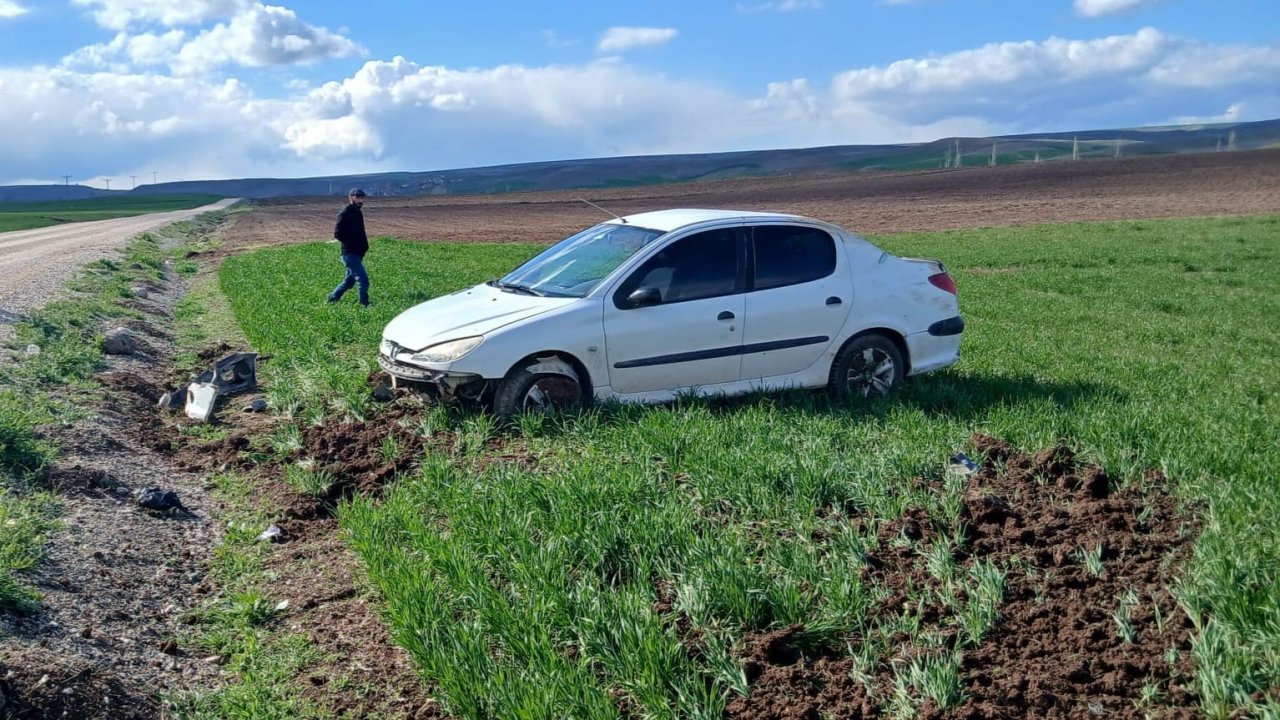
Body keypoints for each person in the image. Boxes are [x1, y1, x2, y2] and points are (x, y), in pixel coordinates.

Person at [328, 188, 370, 306]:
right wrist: (352, 244)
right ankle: (364, 304)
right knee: (363, 280)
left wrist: (363, 246)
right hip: (350, 253)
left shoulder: (358, 212)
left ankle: (333, 298)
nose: (360, 200)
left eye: (362, 197)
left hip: (358, 253)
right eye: (357, 197)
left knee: (349, 281)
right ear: (350, 197)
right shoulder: (345, 213)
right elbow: (338, 234)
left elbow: (360, 232)